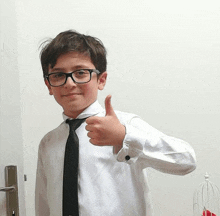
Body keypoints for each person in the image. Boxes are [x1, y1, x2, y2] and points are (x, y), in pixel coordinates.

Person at [35, 30, 196, 216]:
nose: (69, 83)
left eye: (80, 72)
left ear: (101, 80)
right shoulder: (48, 143)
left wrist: (124, 136)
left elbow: (187, 160)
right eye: (58, 75)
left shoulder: (124, 124)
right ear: (48, 85)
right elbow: (43, 204)